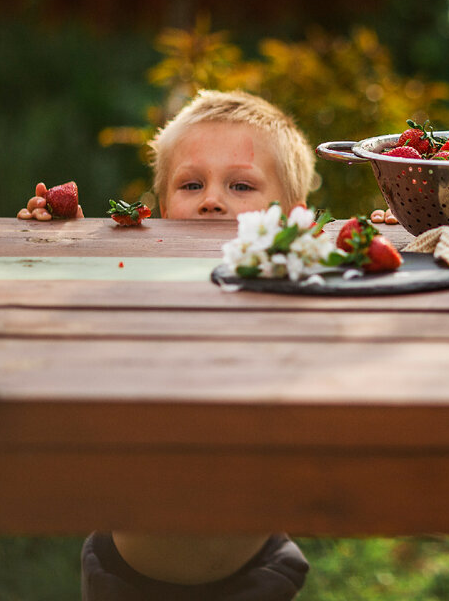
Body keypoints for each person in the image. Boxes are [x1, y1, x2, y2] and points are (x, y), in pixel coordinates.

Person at [19, 89, 314, 600]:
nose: (212, 199)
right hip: (127, 579)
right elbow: (65, 324)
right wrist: (57, 246)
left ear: (293, 218)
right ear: (156, 211)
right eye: (191, 184)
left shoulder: (292, 288)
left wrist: (386, 235)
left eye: (241, 185)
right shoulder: (138, 282)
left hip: (258, 570)